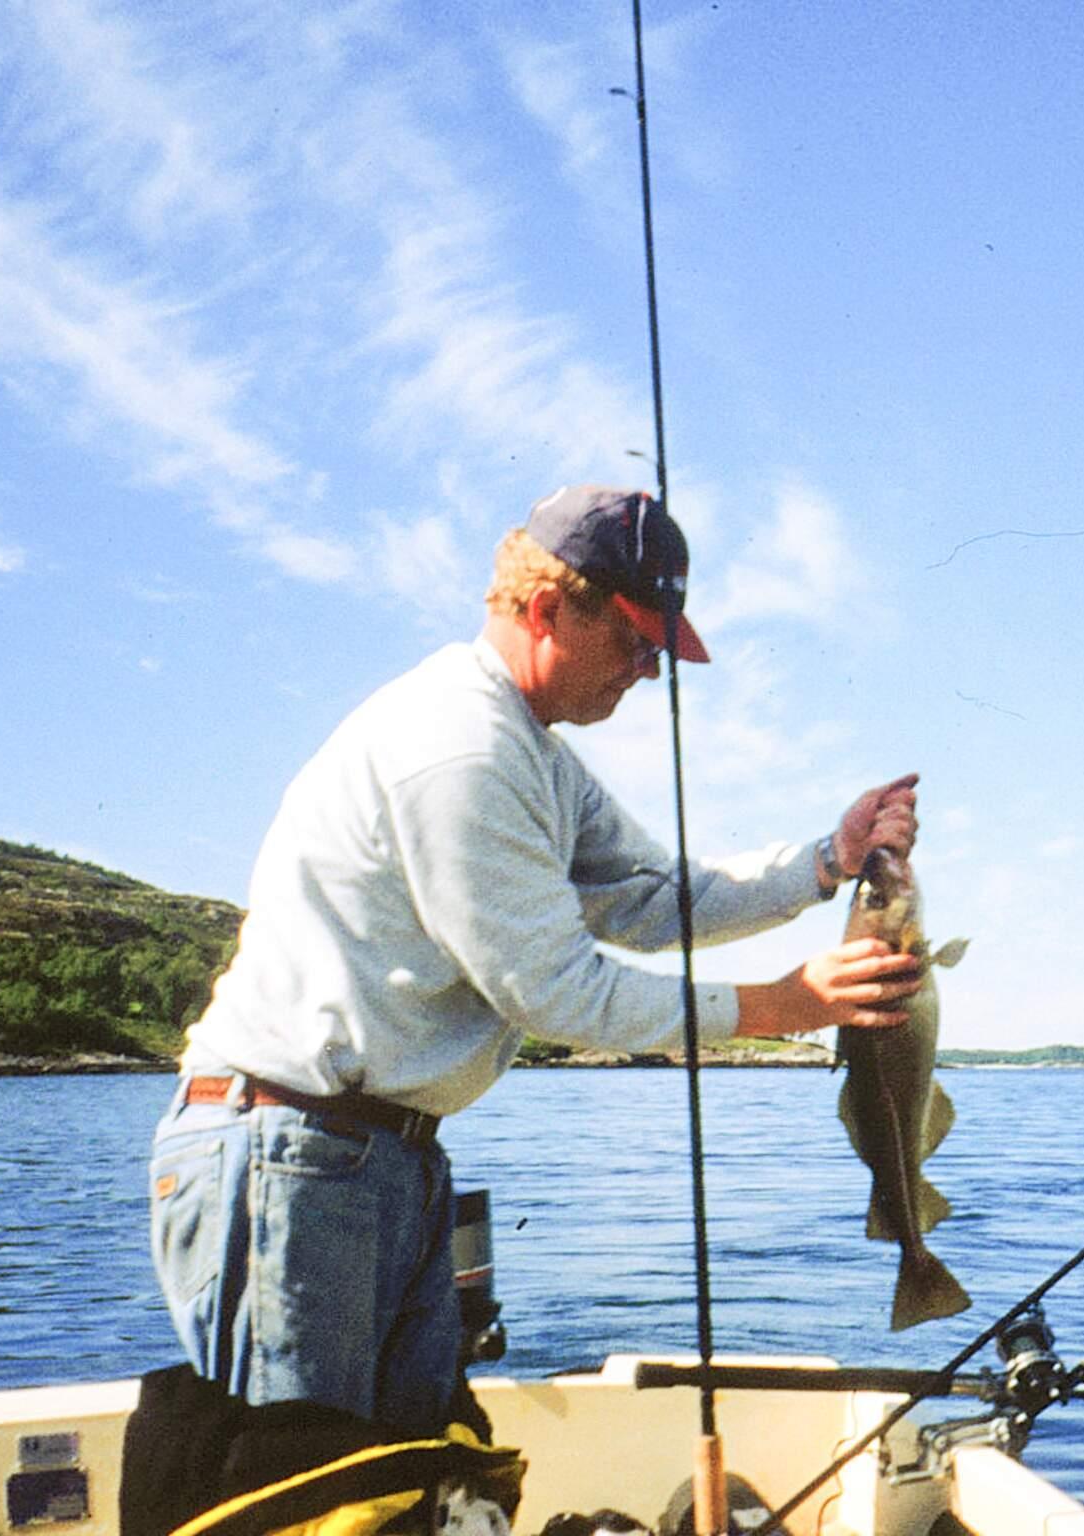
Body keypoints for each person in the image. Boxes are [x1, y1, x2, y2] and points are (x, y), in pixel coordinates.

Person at [148, 484, 924, 1440]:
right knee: (302, 1484)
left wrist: (827, 861)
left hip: (372, 1159)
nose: (647, 671)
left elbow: (650, 897)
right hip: (291, 1156)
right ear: (550, 607)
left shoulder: (534, 757)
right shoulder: (461, 747)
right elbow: (552, 991)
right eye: (635, 642)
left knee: (407, 1475)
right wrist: (780, 1006)